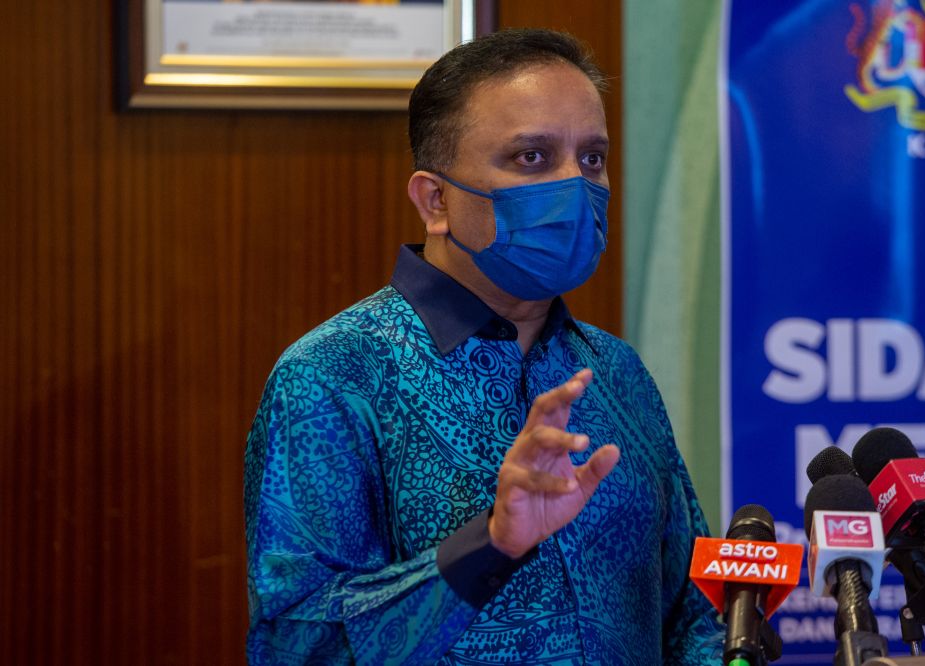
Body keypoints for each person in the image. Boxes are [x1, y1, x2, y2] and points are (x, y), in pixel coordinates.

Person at [244, 28, 723, 665]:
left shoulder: (615, 370)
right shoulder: (333, 377)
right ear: (435, 199)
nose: (574, 187)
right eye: (532, 157)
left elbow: (692, 609)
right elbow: (295, 643)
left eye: (591, 159)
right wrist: (490, 544)